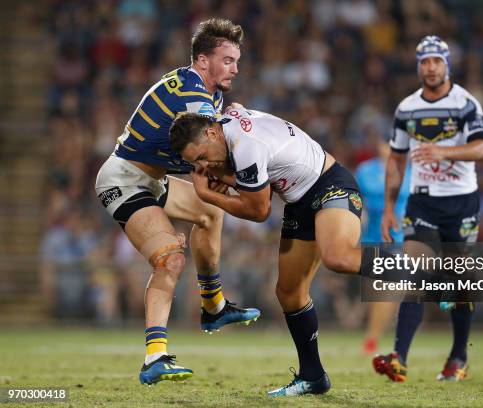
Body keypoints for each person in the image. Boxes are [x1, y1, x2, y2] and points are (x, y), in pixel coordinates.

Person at [169, 106, 382, 397]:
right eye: (197, 163)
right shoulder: (226, 127)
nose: (205, 165)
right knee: (289, 293)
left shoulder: (245, 145)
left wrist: (207, 195)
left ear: (211, 132)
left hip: (330, 184)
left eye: (203, 157)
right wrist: (229, 178)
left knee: (338, 256)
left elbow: (258, 210)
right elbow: (240, 115)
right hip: (299, 202)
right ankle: (313, 376)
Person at [94, 18, 260, 386]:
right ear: (203, 61)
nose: (236, 67)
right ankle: (155, 357)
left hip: (153, 181)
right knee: (170, 258)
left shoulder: (208, 93)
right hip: (123, 180)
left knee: (211, 207)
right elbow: (215, 158)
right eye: (228, 59)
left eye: (237, 60)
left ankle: (214, 306)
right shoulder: (194, 95)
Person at [372, 36, 483, 382]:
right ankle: (400, 357)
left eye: (436, 61)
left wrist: (443, 152)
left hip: (461, 200)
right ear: (418, 66)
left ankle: (458, 357)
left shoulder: (465, 103)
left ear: (447, 65)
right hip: (422, 200)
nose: (430, 67)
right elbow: (395, 160)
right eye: (424, 62)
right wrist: (389, 208)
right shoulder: (406, 108)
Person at [356, 140, 410, 354]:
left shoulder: (410, 170)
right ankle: (377, 331)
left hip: (398, 236)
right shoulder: (366, 170)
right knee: (374, 290)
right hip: (370, 236)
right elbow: (358, 198)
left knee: (386, 288)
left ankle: (372, 338)